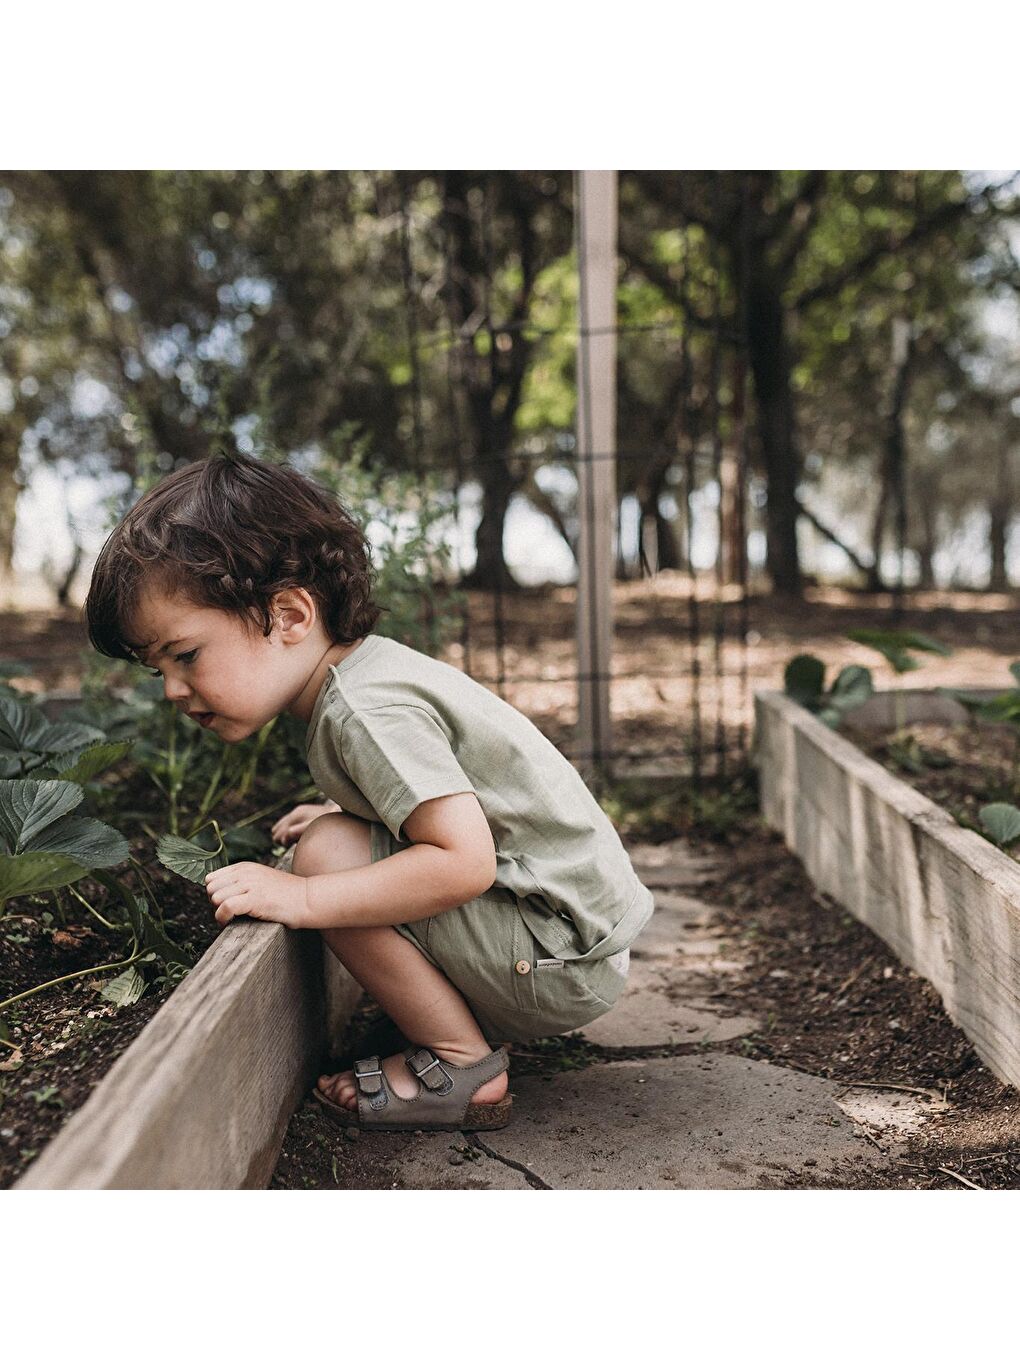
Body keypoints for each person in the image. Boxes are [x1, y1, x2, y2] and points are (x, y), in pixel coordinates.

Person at [84, 451, 654, 1132]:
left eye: (185, 655)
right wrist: (345, 811)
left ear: (289, 614)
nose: (174, 690)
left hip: (559, 955)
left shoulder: (366, 710)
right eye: (159, 672)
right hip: (571, 933)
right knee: (335, 835)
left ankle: (465, 1065)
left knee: (326, 857)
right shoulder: (367, 679)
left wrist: (303, 896)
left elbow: (462, 862)